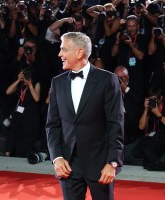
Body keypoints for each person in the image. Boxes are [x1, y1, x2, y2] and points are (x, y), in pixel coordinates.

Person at [46, 32, 124, 200]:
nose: (60, 54)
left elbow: (115, 124)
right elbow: (52, 125)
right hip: (68, 165)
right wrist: (57, 158)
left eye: (64, 49)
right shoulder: (57, 82)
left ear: (79, 52)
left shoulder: (108, 80)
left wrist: (112, 162)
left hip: (100, 164)